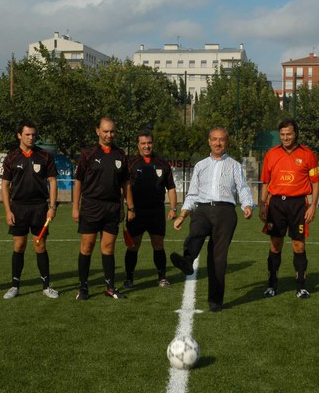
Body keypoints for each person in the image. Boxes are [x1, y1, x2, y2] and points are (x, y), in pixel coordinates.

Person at [170, 127, 254, 312]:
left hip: (226, 211)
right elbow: (192, 193)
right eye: (214, 139)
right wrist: (183, 215)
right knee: (197, 230)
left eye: (222, 139)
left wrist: (247, 205)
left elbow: (242, 187)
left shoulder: (234, 165)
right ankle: (187, 261)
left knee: (218, 258)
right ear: (209, 141)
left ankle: (215, 301)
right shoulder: (200, 166)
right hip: (202, 208)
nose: (218, 143)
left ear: (227, 142)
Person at [258, 118, 319, 299]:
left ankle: (301, 287)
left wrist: (313, 206)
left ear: (296, 134)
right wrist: (262, 204)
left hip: (298, 204)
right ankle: (272, 285)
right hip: (276, 204)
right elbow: (265, 182)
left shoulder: (308, 154)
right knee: (275, 244)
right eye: (282, 134)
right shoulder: (271, 154)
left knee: (298, 245)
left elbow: (315, 183)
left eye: (289, 134)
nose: (285, 138)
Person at [1, 119, 60, 299]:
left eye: (33, 135)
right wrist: (8, 210)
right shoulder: (11, 157)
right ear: (19, 135)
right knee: (19, 245)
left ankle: (46, 287)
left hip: (39, 208)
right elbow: (5, 185)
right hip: (18, 207)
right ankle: (15, 286)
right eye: (27, 134)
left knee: (40, 245)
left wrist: (52, 206)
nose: (31, 138)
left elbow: (52, 181)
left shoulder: (45, 156)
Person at [72, 117, 129, 300]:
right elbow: (78, 181)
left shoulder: (120, 154)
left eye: (112, 131)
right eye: (105, 131)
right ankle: (83, 288)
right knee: (87, 246)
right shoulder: (87, 154)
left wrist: (130, 206)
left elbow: (126, 183)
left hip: (112, 207)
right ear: (97, 131)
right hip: (91, 206)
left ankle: (110, 287)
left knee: (108, 247)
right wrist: (75, 207)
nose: (109, 135)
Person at [123, 129, 178, 289]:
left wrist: (173, 208)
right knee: (133, 245)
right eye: (143, 143)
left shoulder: (163, 163)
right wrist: (123, 207)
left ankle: (162, 278)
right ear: (138, 145)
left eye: (149, 143)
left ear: (153, 144)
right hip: (136, 212)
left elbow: (171, 188)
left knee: (158, 244)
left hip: (156, 211)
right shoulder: (131, 163)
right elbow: (123, 186)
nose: (146, 146)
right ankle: (129, 278)